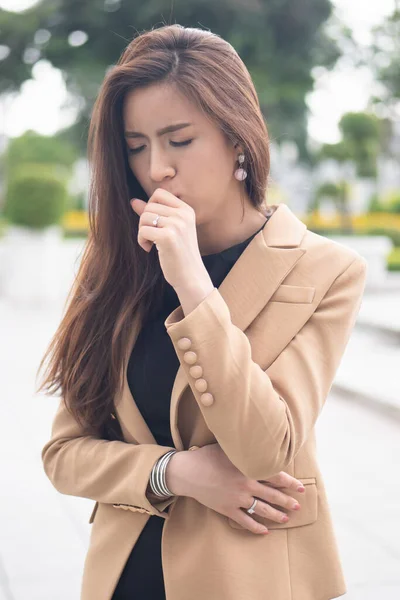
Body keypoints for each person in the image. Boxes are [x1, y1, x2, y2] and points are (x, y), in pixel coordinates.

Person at [38, 24, 367, 600]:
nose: (156, 167)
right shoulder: (116, 267)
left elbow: (267, 449)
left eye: (179, 140)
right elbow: (64, 455)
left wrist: (193, 285)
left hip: (249, 578)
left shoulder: (325, 270)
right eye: (136, 146)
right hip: (124, 578)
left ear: (237, 137)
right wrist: (175, 472)